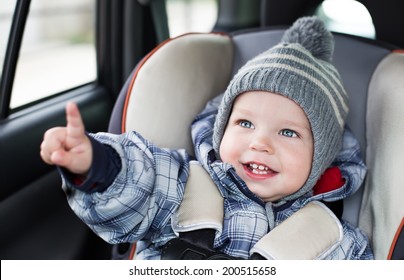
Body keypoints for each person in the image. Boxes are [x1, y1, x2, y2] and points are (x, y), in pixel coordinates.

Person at [40, 16, 373, 259]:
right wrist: (98, 165)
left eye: (288, 132)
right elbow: (139, 182)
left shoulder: (335, 240)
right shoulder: (186, 184)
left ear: (320, 158)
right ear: (221, 129)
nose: (260, 143)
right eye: (244, 124)